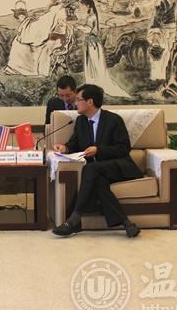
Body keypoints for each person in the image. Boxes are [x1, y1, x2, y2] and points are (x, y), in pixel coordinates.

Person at [51, 84, 142, 238]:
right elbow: (74, 144)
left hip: (118, 166)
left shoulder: (113, 120)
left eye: (79, 99)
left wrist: (99, 150)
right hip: (98, 171)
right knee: (98, 181)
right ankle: (127, 224)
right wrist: (64, 148)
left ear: (90, 102)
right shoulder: (81, 121)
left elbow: (124, 148)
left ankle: (74, 219)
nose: (75, 103)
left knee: (91, 169)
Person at [4, 0, 68, 76]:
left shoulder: (57, 9)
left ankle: (21, 70)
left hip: (55, 39)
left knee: (19, 43)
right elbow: (45, 22)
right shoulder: (58, 8)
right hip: (55, 36)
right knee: (21, 40)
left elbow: (43, 27)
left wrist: (27, 23)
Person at [78, 0, 130, 97]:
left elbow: (88, 29)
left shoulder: (91, 17)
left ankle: (96, 85)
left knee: (94, 65)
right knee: (92, 65)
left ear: (87, 5)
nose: (81, 7)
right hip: (91, 43)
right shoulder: (92, 16)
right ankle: (92, 84)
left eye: (82, 5)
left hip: (92, 44)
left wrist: (78, 26)